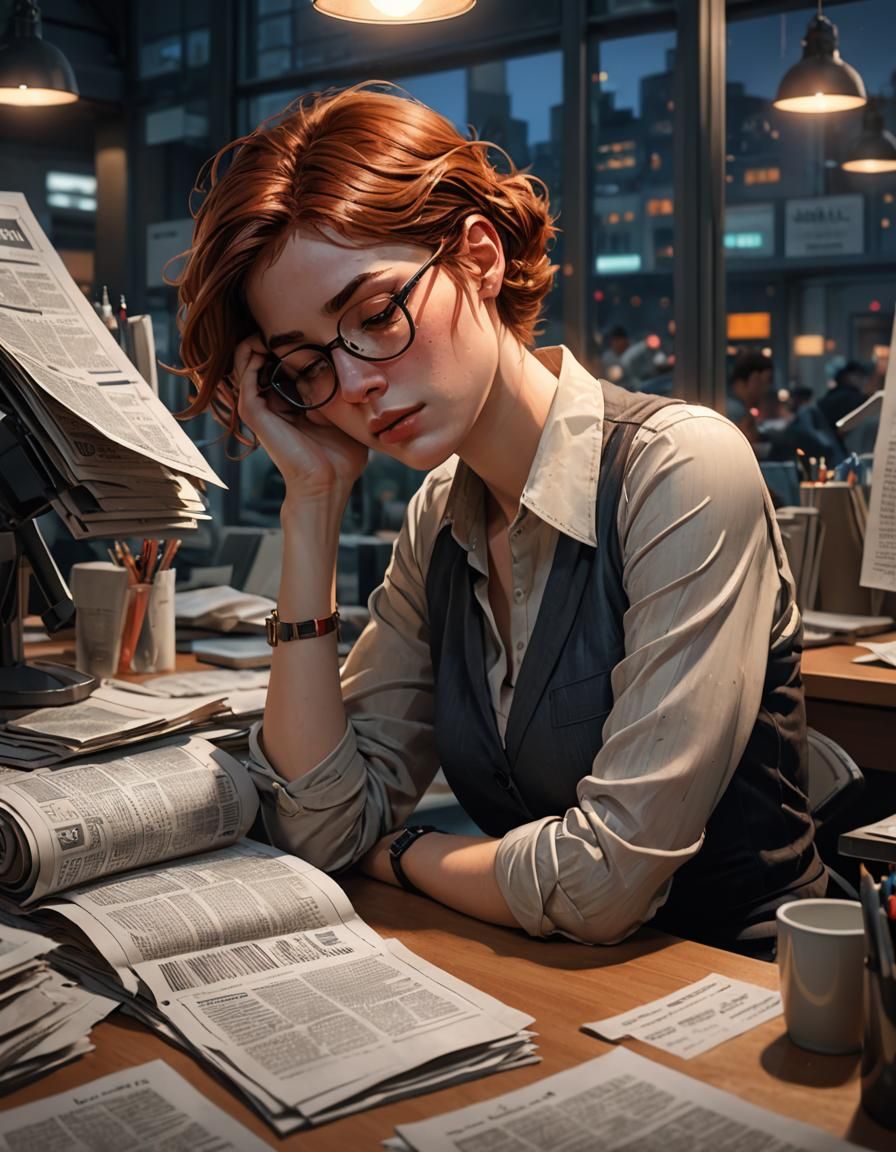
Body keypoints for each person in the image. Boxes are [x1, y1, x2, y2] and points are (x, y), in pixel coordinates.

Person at [175, 83, 826, 955]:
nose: (355, 384)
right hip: (550, 984)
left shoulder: (680, 468)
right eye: (306, 366)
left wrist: (401, 849)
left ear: (478, 257)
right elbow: (320, 824)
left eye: (374, 315)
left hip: (742, 999)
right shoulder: (439, 516)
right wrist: (312, 504)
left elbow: (603, 881)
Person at [726, 350, 773, 451]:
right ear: (754, 378)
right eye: (767, 380)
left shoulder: (731, 405)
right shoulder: (736, 411)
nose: (767, 388)